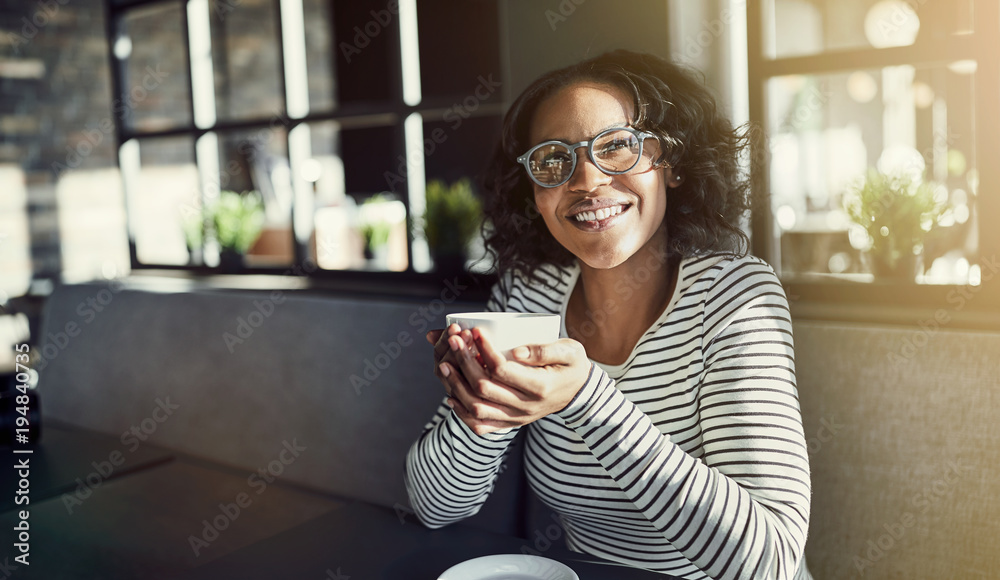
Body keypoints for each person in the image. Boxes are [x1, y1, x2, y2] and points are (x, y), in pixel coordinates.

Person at [404, 50, 812, 580]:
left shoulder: (734, 295)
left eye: (617, 146)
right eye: (554, 159)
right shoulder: (531, 293)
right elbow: (434, 507)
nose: (587, 180)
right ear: (536, 192)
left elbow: (770, 562)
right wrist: (480, 409)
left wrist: (586, 399)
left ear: (673, 164)